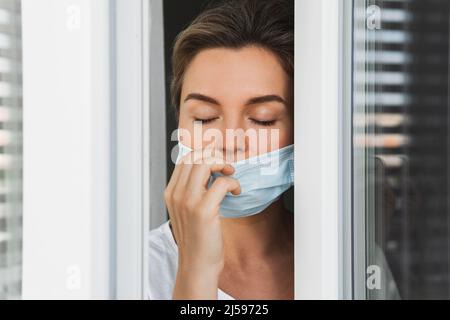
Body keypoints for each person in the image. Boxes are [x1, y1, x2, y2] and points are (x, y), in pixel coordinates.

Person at [148, 0, 294, 300]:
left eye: (262, 119)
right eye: (204, 118)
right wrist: (194, 271)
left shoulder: (347, 256)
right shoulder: (133, 273)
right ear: (180, 124)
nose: (230, 141)